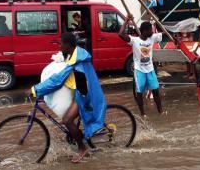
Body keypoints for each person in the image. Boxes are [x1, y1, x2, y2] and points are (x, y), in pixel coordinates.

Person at [28, 32, 106, 163]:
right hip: (81, 91)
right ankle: (78, 136)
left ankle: (82, 148)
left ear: (68, 45)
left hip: (86, 95)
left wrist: (35, 89)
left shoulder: (78, 61)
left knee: (67, 120)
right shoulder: (75, 54)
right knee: (68, 119)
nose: (59, 46)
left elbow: (57, 80)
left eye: (61, 44)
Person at [119, 15, 165, 117]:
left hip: (150, 69)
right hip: (139, 70)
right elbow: (120, 34)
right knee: (139, 93)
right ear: (144, 31)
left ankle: (160, 111)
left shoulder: (152, 38)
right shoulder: (134, 40)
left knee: (156, 91)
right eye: (150, 30)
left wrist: (157, 20)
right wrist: (126, 20)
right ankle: (143, 113)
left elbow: (164, 32)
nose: (152, 32)